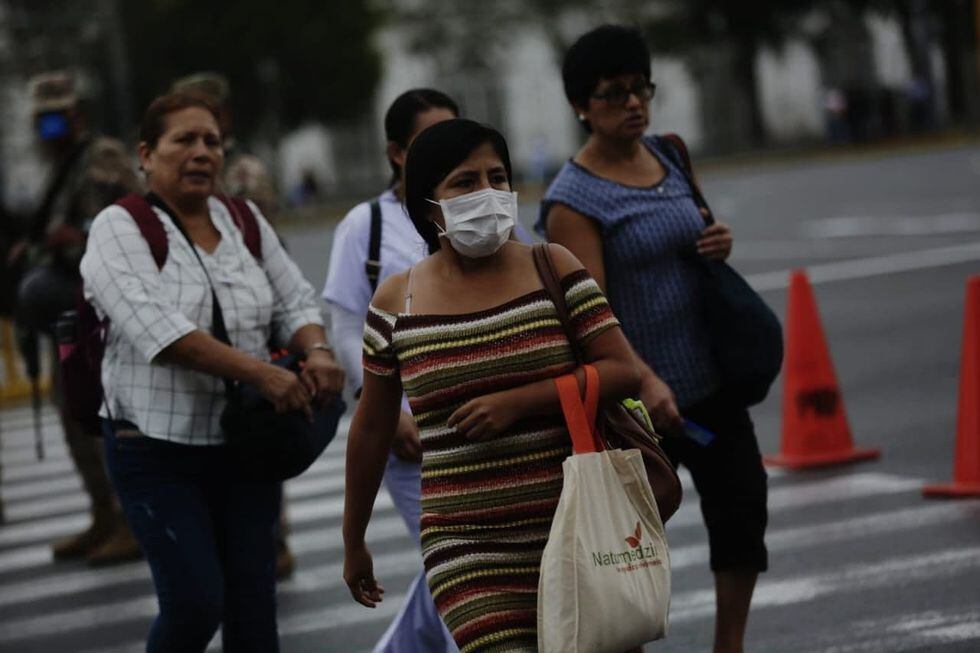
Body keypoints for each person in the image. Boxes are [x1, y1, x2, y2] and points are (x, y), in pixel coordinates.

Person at [342, 118, 641, 651]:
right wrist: (353, 540)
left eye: (497, 177)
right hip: (466, 548)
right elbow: (371, 427)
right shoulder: (395, 301)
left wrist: (520, 403)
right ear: (427, 205)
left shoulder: (552, 266)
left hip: (580, 528)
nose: (488, 193)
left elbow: (622, 371)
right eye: (465, 182)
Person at [79, 92, 344, 652]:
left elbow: (294, 298)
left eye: (212, 142)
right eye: (184, 140)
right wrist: (262, 375)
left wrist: (317, 349)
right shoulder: (120, 227)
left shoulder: (241, 219)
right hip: (154, 449)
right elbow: (161, 332)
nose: (202, 152)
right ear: (146, 155)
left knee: (255, 607)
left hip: (245, 446)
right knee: (196, 604)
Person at [537, 25, 769, 653]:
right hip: (634, 401)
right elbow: (590, 312)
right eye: (615, 93)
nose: (635, 103)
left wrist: (717, 239)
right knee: (625, 541)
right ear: (581, 106)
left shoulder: (669, 154)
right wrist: (643, 379)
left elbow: (690, 231)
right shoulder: (572, 200)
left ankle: (729, 645)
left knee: (741, 511)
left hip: (711, 380)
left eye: (642, 88)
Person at [324, 88, 459, 653]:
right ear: (397, 153)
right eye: (431, 140)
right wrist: (383, 407)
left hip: (478, 426)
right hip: (409, 437)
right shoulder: (367, 225)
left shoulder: (471, 214)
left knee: (454, 564)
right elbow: (345, 325)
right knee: (458, 566)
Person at [5, 71, 142, 565]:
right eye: (42, 122)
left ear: (75, 115)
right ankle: (104, 513)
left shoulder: (100, 156)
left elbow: (128, 221)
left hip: (103, 314)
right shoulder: (60, 167)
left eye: (56, 120)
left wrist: (77, 237)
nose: (48, 131)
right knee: (73, 416)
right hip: (72, 315)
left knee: (104, 420)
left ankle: (130, 520)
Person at [171, 71, 295, 579]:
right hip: (204, 319)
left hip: (250, 317)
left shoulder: (242, 171)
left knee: (261, 430)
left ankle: (274, 536)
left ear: (223, 115)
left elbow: (258, 240)